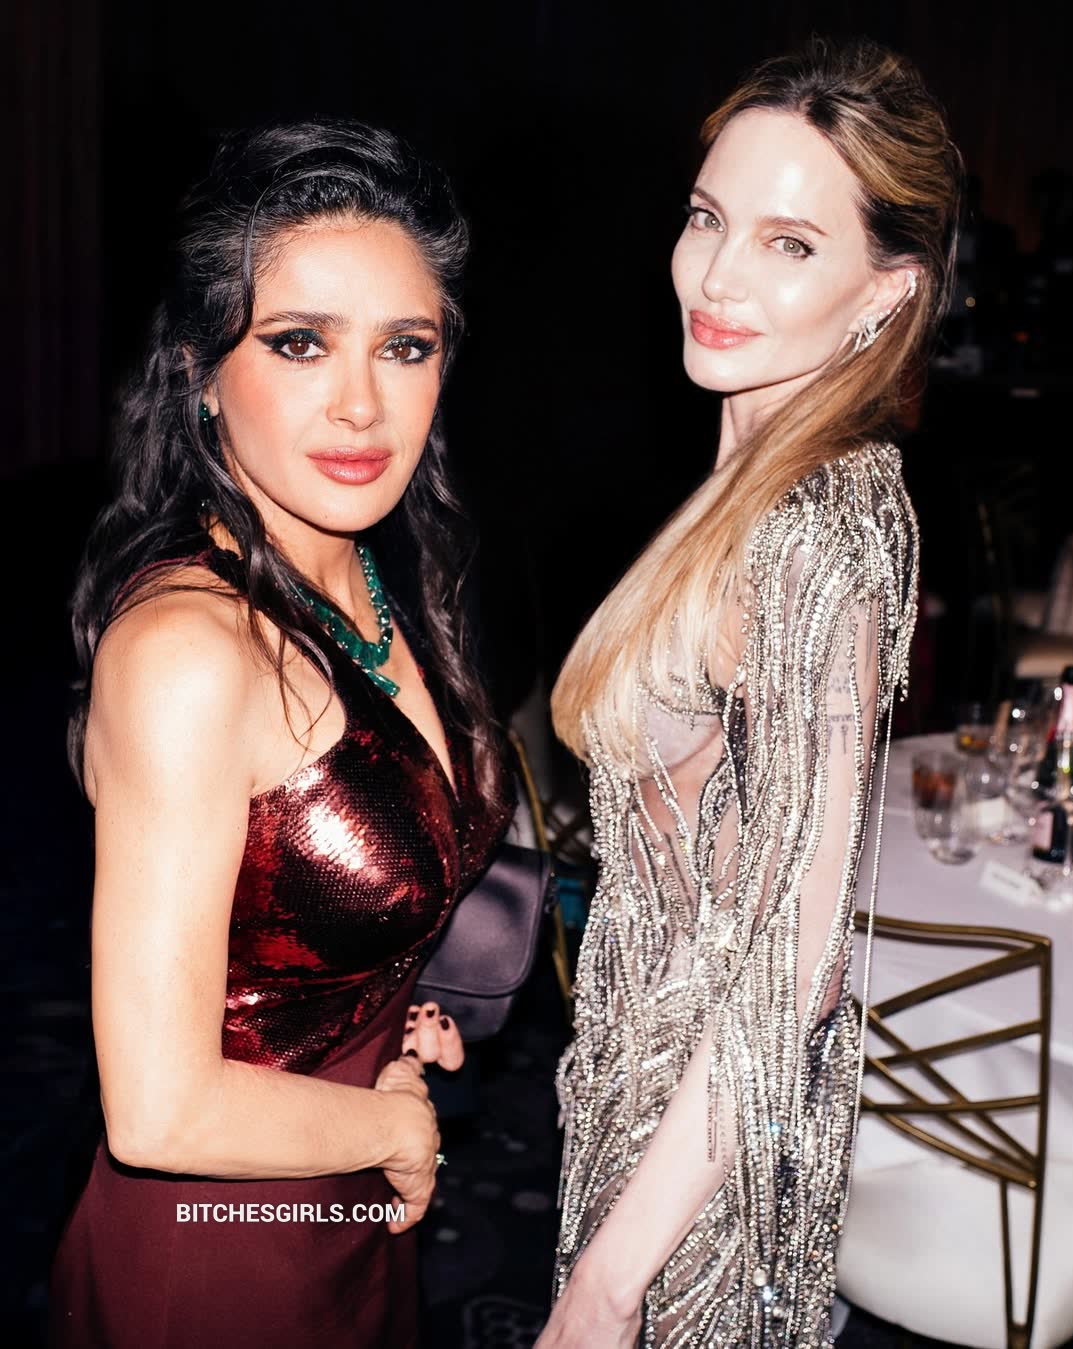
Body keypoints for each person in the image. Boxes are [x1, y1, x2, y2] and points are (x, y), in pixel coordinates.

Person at [47, 119, 511, 1349]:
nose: (361, 403)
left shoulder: (367, 573)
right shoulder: (191, 654)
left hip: (346, 1198)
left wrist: (383, 1002)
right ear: (201, 370)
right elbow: (158, 1109)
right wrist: (392, 1126)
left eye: (405, 346)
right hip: (215, 1249)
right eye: (300, 342)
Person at [539, 38, 962, 1348]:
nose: (717, 276)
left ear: (885, 292)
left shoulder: (811, 537)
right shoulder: (766, 484)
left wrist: (612, 1280)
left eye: (789, 243)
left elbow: (796, 966)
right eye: (707, 217)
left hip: (696, 1150)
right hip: (656, 1092)